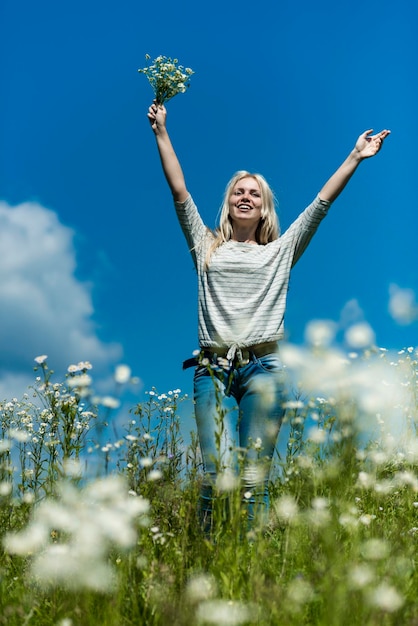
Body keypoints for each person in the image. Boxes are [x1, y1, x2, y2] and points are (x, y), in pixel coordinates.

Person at [147, 99, 390, 530]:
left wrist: (355, 157)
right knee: (215, 477)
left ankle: (252, 571)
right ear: (228, 204)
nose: (245, 196)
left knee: (252, 482)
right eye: (238, 191)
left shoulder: (281, 251)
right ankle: (208, 565)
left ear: (263, 208)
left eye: (253, 193)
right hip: (212, 369)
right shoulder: (206, 247)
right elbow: (180, 192)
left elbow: (319, 205)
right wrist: (162, 132)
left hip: (266, 369)